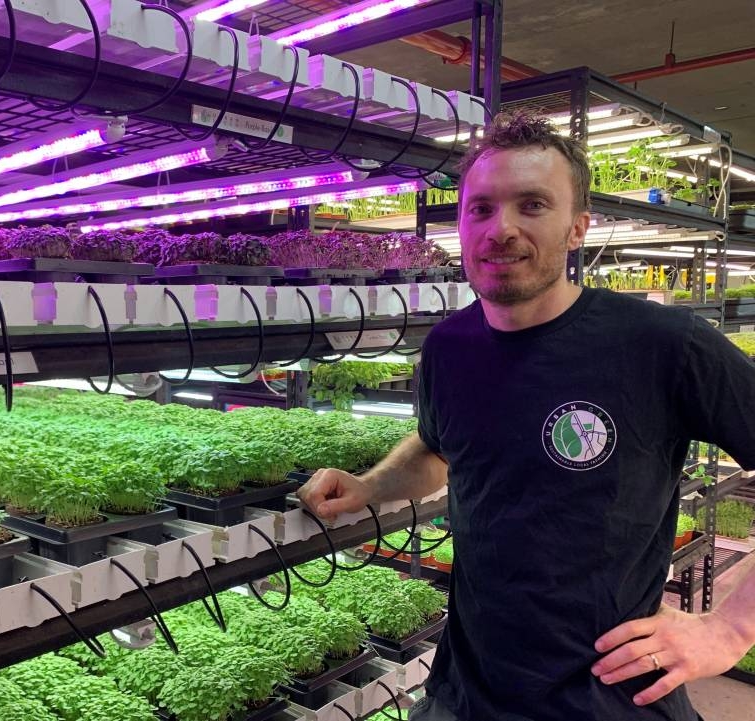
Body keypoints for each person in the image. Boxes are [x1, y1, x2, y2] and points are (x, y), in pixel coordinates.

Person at [297, 112, 755, 721]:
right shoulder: (449, 347)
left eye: (532, 205)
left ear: (577, 228)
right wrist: (369, 487)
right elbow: (437, 451)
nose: (500, 229)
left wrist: (729, 628)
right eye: (480, 209)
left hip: (609, 698)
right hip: (464, 693)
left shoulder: (664, 343)